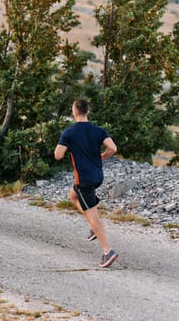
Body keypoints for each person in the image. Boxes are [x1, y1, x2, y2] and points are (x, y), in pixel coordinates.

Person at [54, 99, 118, 268]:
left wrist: (63, 144)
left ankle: (107, 251)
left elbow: (58, 155)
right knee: (72, 196)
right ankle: (93, 226)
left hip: (84, 180)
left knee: (93, 214)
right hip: (97, 176)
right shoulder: (98, 130)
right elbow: (113, 148)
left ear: (74, 112)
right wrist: (102, 156)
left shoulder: (69, 132)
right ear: (87, 111)